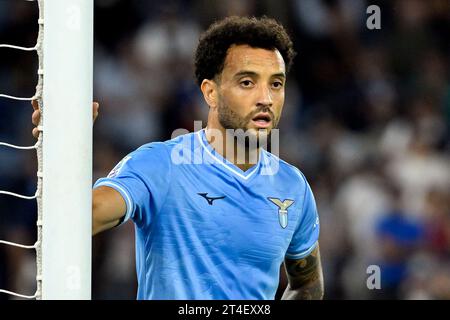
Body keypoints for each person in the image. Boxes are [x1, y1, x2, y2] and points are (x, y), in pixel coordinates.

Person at [31, 16, 323, 300]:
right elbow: (82, 218)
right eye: (247, 82)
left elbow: (308, 285)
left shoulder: (292, 186)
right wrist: (63, 150)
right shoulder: (161, 165)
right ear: (210, 92)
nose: (266, 98)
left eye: (276, 83)